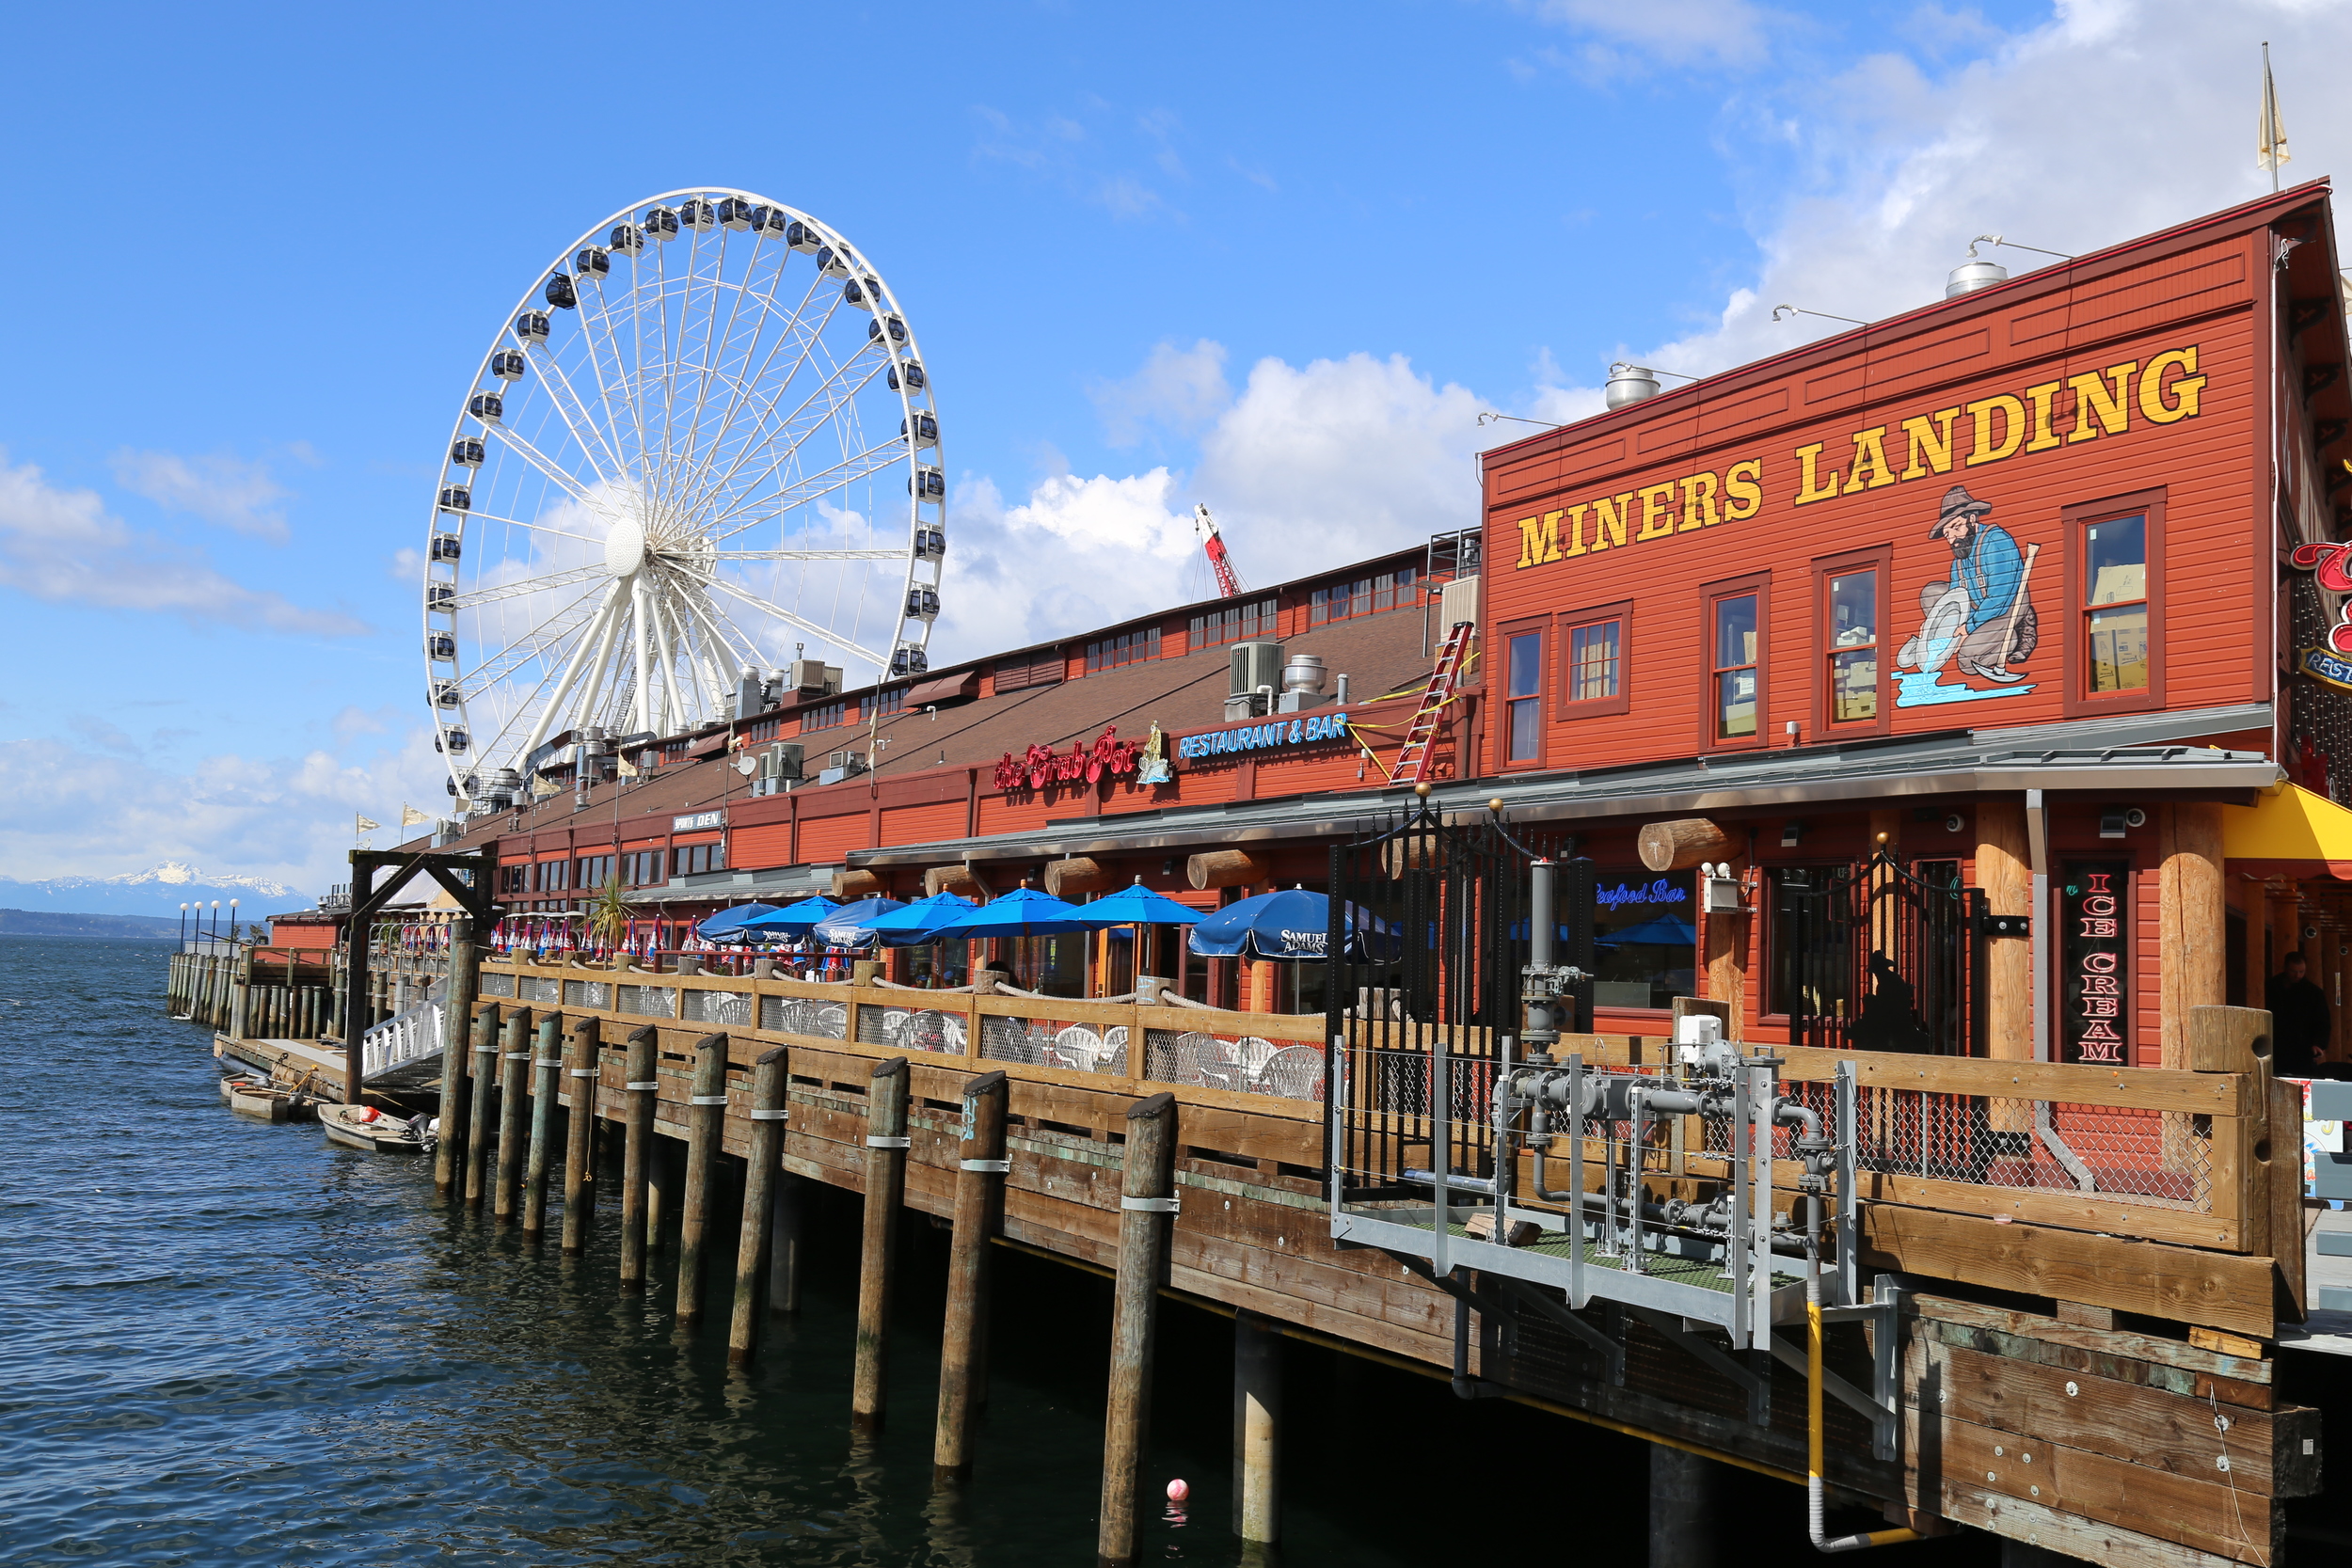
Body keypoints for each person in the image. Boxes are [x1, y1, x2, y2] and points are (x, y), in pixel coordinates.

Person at [1897, 484, 2040, 683]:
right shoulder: (1960, 558)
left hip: (2008, 604)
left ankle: (2013, 638)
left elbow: (1999, 598)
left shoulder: (1996, 542)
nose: (1952, 538)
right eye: (1947, 534)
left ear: (1972, 519)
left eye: (1956, 527)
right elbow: (1956, 596)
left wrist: (1968, 627)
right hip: (1979, 605)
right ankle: (1959, 638)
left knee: (1968, 662)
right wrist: (1932, 627)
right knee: (1931, 592)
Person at [2265, 952, 2341, 1078]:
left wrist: (2319, 1043)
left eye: (2301, 971)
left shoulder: (2313, 993)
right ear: (2286, 968)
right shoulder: (2271, 987)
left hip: (2303, 1047)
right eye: (2293, 971)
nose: (2297, 975)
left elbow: (2323, 1021)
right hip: (2275, 1046)